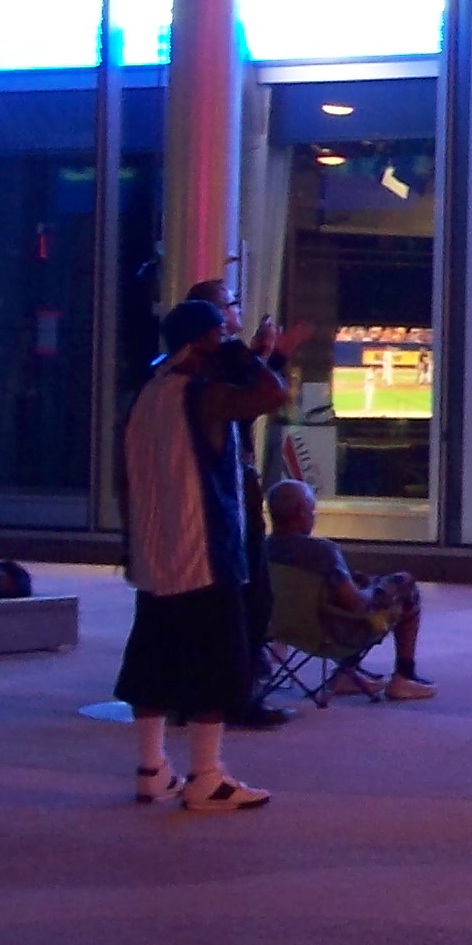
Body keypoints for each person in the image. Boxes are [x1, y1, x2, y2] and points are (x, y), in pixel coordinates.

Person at [115, 297, 290, 809]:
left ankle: (151, 768)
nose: (227, 341)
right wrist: (246, 357)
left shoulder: (147, 393)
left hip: (153, 553)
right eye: (220, 334)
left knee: (152, 662)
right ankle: (206, 777)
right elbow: (272, 394)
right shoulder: (202, 395)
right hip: (204, 553)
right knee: (215, 667)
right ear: (200, 343)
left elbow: (123, 476)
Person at [189, 281, 293, 733]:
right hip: (228, 495)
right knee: (249, 595)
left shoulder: (203, 368)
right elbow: (263, 398)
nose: (238, 311)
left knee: (246, 595)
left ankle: (232, 688)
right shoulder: (217, 366)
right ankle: (237, 694)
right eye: (231, 304)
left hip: (229, 491)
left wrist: (266, 355)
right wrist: (259, 357)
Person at [265, 478, 434, 698]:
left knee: (365, 585)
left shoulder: (264, 549)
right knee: (405, 586)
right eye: (312, 509)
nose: (314, 516)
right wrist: (380, 588)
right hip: (332, 634)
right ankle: (403, 677)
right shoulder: (322, 551)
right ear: (300, 513)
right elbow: (357, 604)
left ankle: (345, 676)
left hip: (285, 629)